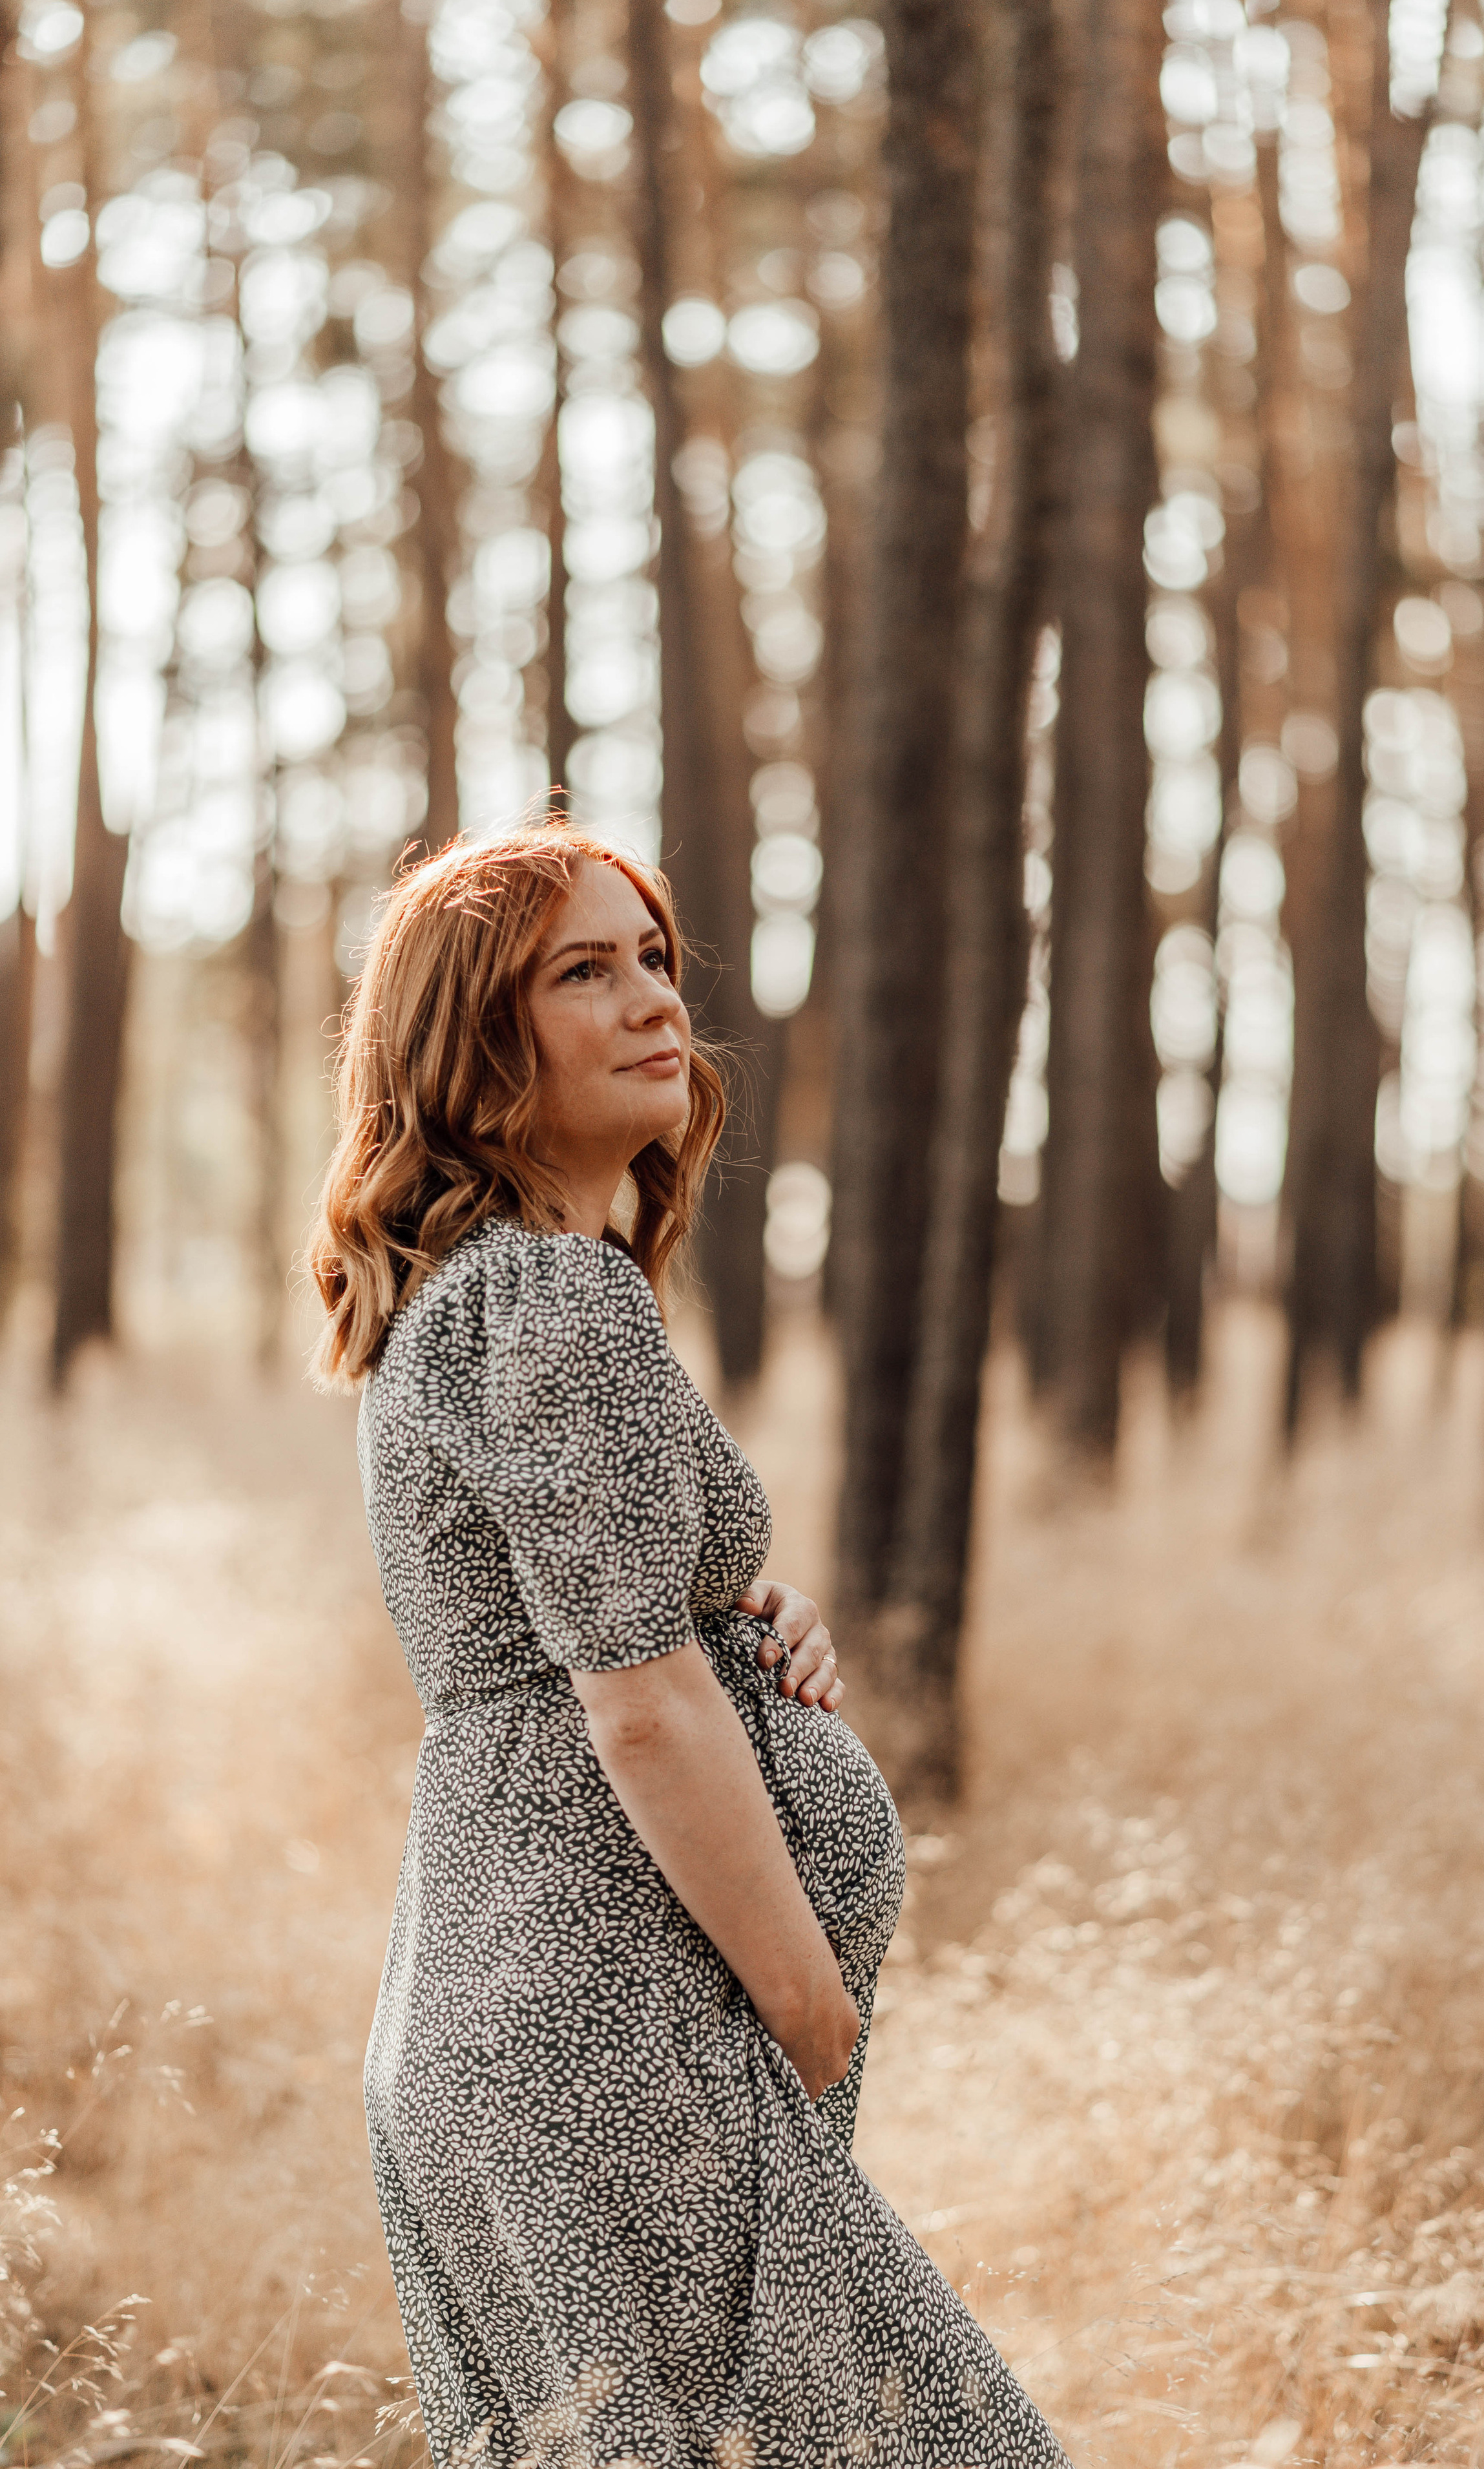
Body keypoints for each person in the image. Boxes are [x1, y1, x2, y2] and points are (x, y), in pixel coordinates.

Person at [308, 821, 1071, 2469]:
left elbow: (597, 1639)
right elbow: (633, 1711)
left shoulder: (492, 1293)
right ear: (475, 1048)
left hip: (521, 2016)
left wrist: (738, 1619)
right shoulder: (551, 1303)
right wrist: (805, 2001)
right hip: (610, 2035)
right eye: (581, 971)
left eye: (652, 956)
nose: (655, 998)